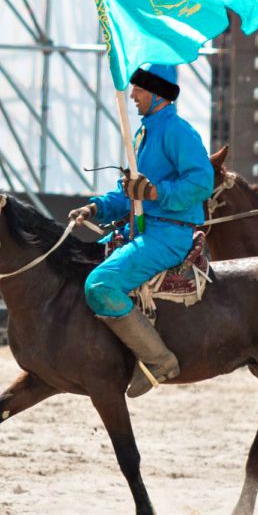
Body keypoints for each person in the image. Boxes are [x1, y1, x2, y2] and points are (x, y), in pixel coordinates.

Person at [68, 64, 214, 398]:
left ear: (158, 92)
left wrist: (155, 193)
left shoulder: (178, 131)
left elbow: (202, 182)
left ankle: (160, 361)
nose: (131, 95)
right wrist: (96, 207)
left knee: (101, 284)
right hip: (142, 230)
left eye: (139, 89)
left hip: (169, 234)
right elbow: (128, 194)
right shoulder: (143, 133)